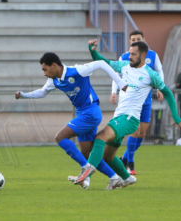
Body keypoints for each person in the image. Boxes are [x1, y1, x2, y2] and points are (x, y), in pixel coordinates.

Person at [74, 41, 181, 188]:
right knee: (108, 156)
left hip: (130, 119)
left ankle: (87, 173)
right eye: (129, 53)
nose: (130, 56)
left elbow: (168, 94)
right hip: (119, 116)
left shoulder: (151, 75)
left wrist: (176, 117)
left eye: (133, 54)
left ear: (143, 55)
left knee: (100, 137)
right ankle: (127, 178)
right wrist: (93, 52)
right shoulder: (124, 65)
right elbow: (104, 63)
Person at [15, 52, 129, 190]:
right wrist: (23, 95)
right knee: (87, 152)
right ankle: (114, 178)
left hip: (91, 112)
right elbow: (43, 92)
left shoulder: (78, 71)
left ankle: (86, 168)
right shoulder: (54, 80)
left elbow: (101, 63)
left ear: (54, 65)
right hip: (82, 114)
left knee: (60, 137)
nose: (44, 73)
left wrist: (121, 83)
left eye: (45, 69)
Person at [110, 30, 164, 175]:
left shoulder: (152, 55)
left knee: (142, 134)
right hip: (131, 99)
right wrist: (113, 91)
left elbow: (159, 71)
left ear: (143, 39)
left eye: (138, 38)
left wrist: (160, 88)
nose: (135, 40)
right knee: (135, 131)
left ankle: (125, 158)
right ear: (130, 41)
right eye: (133, 39)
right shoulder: (125, 57)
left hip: (146, 99)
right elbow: (116, 75)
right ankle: (130, 163)